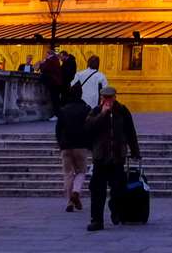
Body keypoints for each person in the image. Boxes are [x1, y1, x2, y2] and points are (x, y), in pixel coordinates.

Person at [84, 85, 141, 231]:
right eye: (105, 98)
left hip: (117, 157)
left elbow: (130, 132)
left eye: (110, 97)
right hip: (100, 157)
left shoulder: (122, 111)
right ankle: (97, 220)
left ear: (115, 97)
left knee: (118, 188)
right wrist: (102, 114)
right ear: (102, 98)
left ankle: (115, 209)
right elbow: (88, 128)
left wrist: (135, 151)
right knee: (97, 190)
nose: (108, 100)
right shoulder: (96, 111)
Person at [55, 88, 91, 211]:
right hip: (80, 145)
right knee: (81, 171)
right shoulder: (86, 109)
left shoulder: (63, 110)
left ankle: (70, 202)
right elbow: (90, 127)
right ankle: (75, 192)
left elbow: (58, 129)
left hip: (65, 146)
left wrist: (60, 143)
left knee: (68, 173)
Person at [38, 47, 67, 117]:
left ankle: (57, 115)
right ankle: (57, 115)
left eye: (46, 54)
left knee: (55, 99)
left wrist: (41, 63)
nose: (45, 55)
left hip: (54, 82)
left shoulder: (50, 60)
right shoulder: (55, 60)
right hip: (57, 82)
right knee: (56, 99)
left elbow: (44, 68)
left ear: (49, 54)